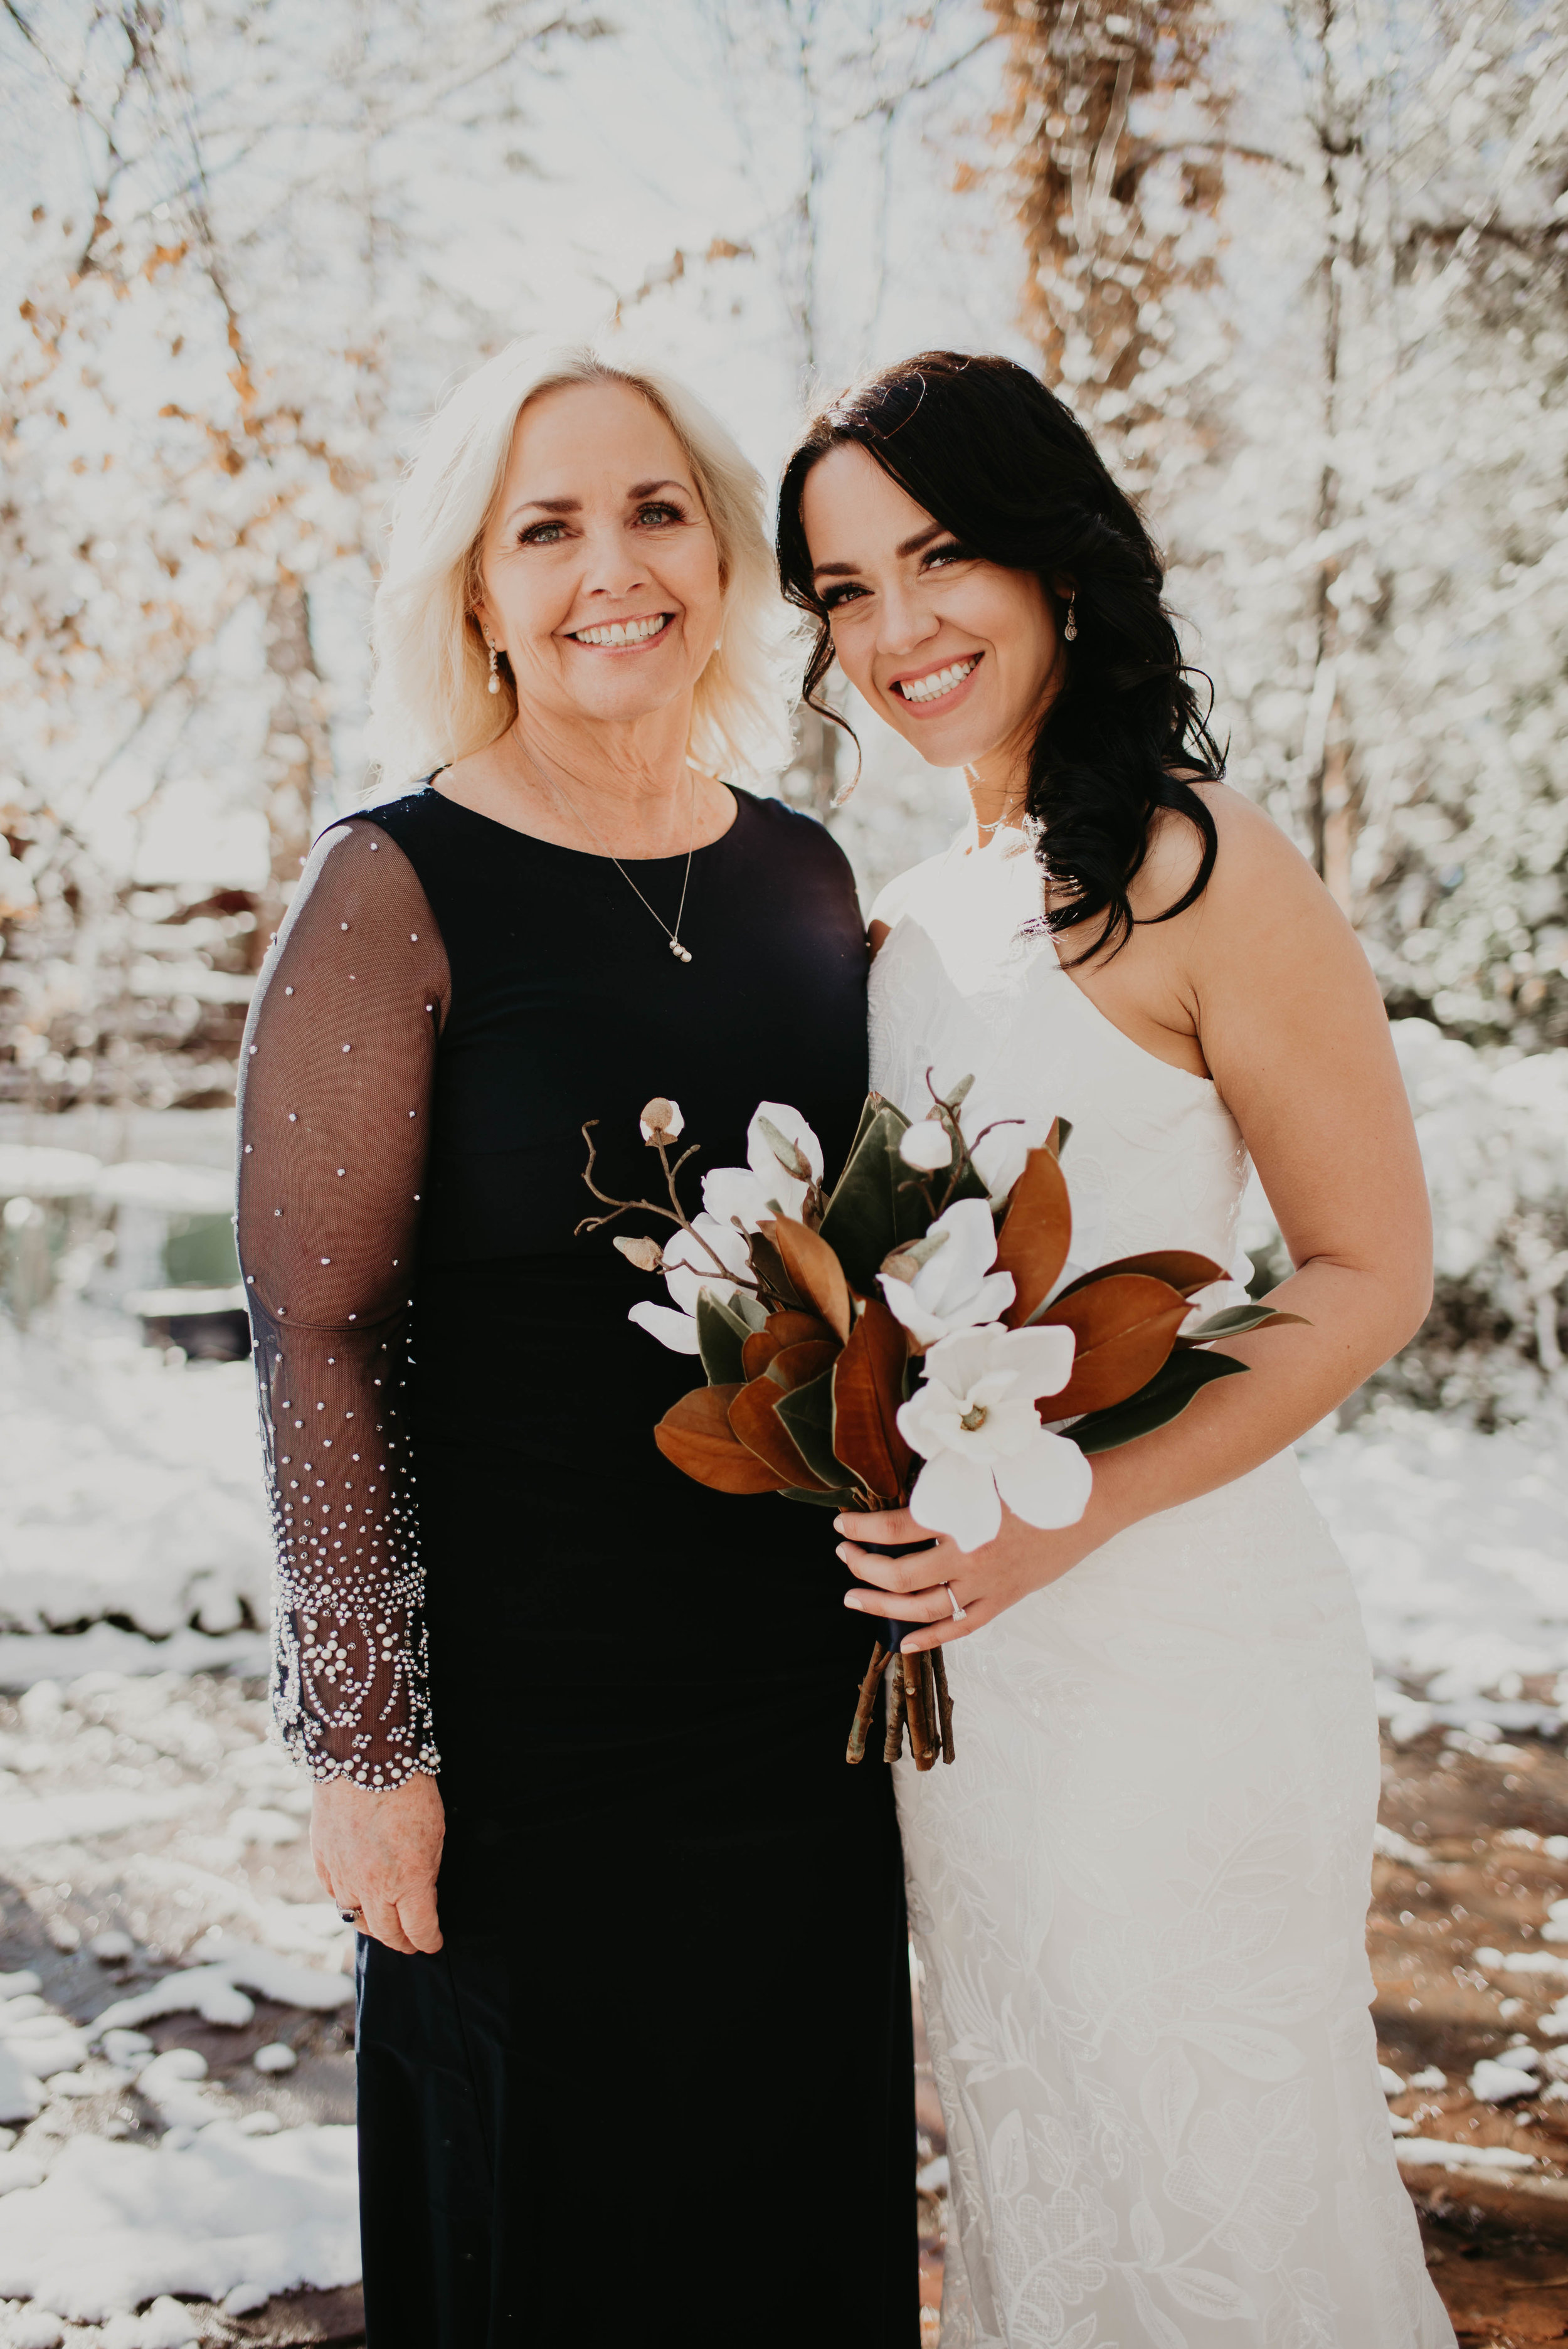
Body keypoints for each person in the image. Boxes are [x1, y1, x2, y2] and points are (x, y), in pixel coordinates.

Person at [236, 341, 915, 2347]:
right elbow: (319, 1331)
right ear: (475, 588)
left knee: (786, 2241)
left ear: (720, 552)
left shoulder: (804, 874)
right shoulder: (392, 881)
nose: (610, 566)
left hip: (797, 1720)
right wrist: (368, 1744)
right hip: (526, 1747)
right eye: (545, 528)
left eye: (653, 511)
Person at [777, 351, 1455, 2348]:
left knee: (1219, 2195)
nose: (895, 626)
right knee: (1043, 2172)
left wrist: (1073, 1517)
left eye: (939, 556)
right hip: (972, 1687)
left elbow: (1366, 1268)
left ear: (1055, 558)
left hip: (1171, 1649)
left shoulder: (1196, 862)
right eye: (842, 587)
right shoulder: (903, 917)